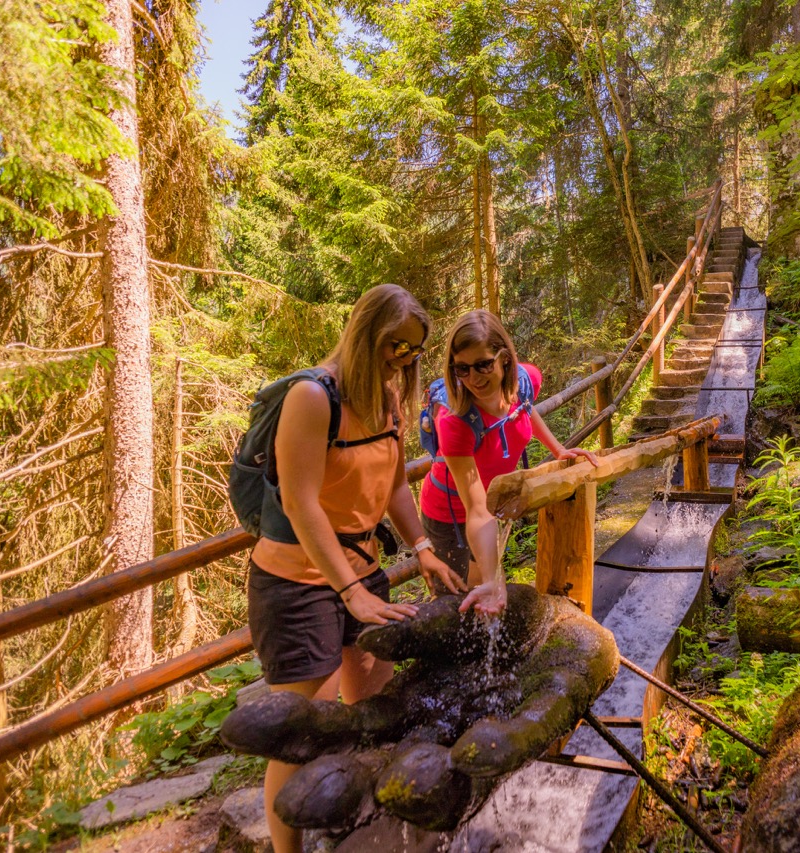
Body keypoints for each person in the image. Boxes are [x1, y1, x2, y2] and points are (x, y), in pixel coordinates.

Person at [246, 284, 465, 853]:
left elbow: (393, 485)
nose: (404, 359)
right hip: (297, 584)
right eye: (395, 345)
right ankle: (286, 849)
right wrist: (348, 590)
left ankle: (362, 827)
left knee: (371, 711)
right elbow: (300, 503)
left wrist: (421, 549)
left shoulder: (388, 401)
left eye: (414, 351)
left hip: (363, 574)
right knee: (301, 730)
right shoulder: (313, 398)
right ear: (365, 331)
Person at [419, 310, 598, 617]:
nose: (474, 378)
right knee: (462, 602)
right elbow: (475, 507)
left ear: (503, 358)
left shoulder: (526, 380)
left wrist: (557, 449)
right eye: (462, 369)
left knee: (488, 599)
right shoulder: (454, 421)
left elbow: (525, 409)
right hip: (450, 514)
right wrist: (490, 579)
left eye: (483, 364)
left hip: (488, 506)